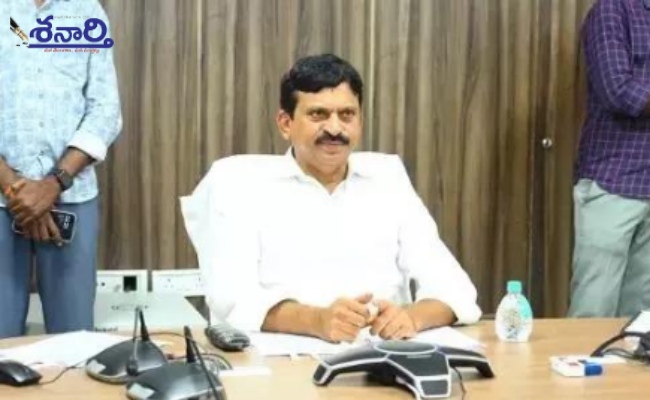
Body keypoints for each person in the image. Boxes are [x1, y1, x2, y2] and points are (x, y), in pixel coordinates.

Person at [182, 54, 481, 342]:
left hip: (382, 357)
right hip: (280, 364)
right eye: (318, 114)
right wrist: (317, 321)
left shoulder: (387, 178)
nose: (335, 128)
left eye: (347, 115)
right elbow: (231, 298)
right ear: (285, 123)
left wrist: (410, 318)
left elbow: (456, 290)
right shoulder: (238, 183)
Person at [0, 0, 122, 338]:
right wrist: (14, 189)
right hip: (1, 199)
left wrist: (53, 184)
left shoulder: (87, 13)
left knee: (73, 341)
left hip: (71, 197)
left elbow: (105, 109)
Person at [569, 0, 650, 317]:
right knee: (594, 308)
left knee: (641, 318)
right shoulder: (612, 10)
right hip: (614, 181)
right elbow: (618, 91)